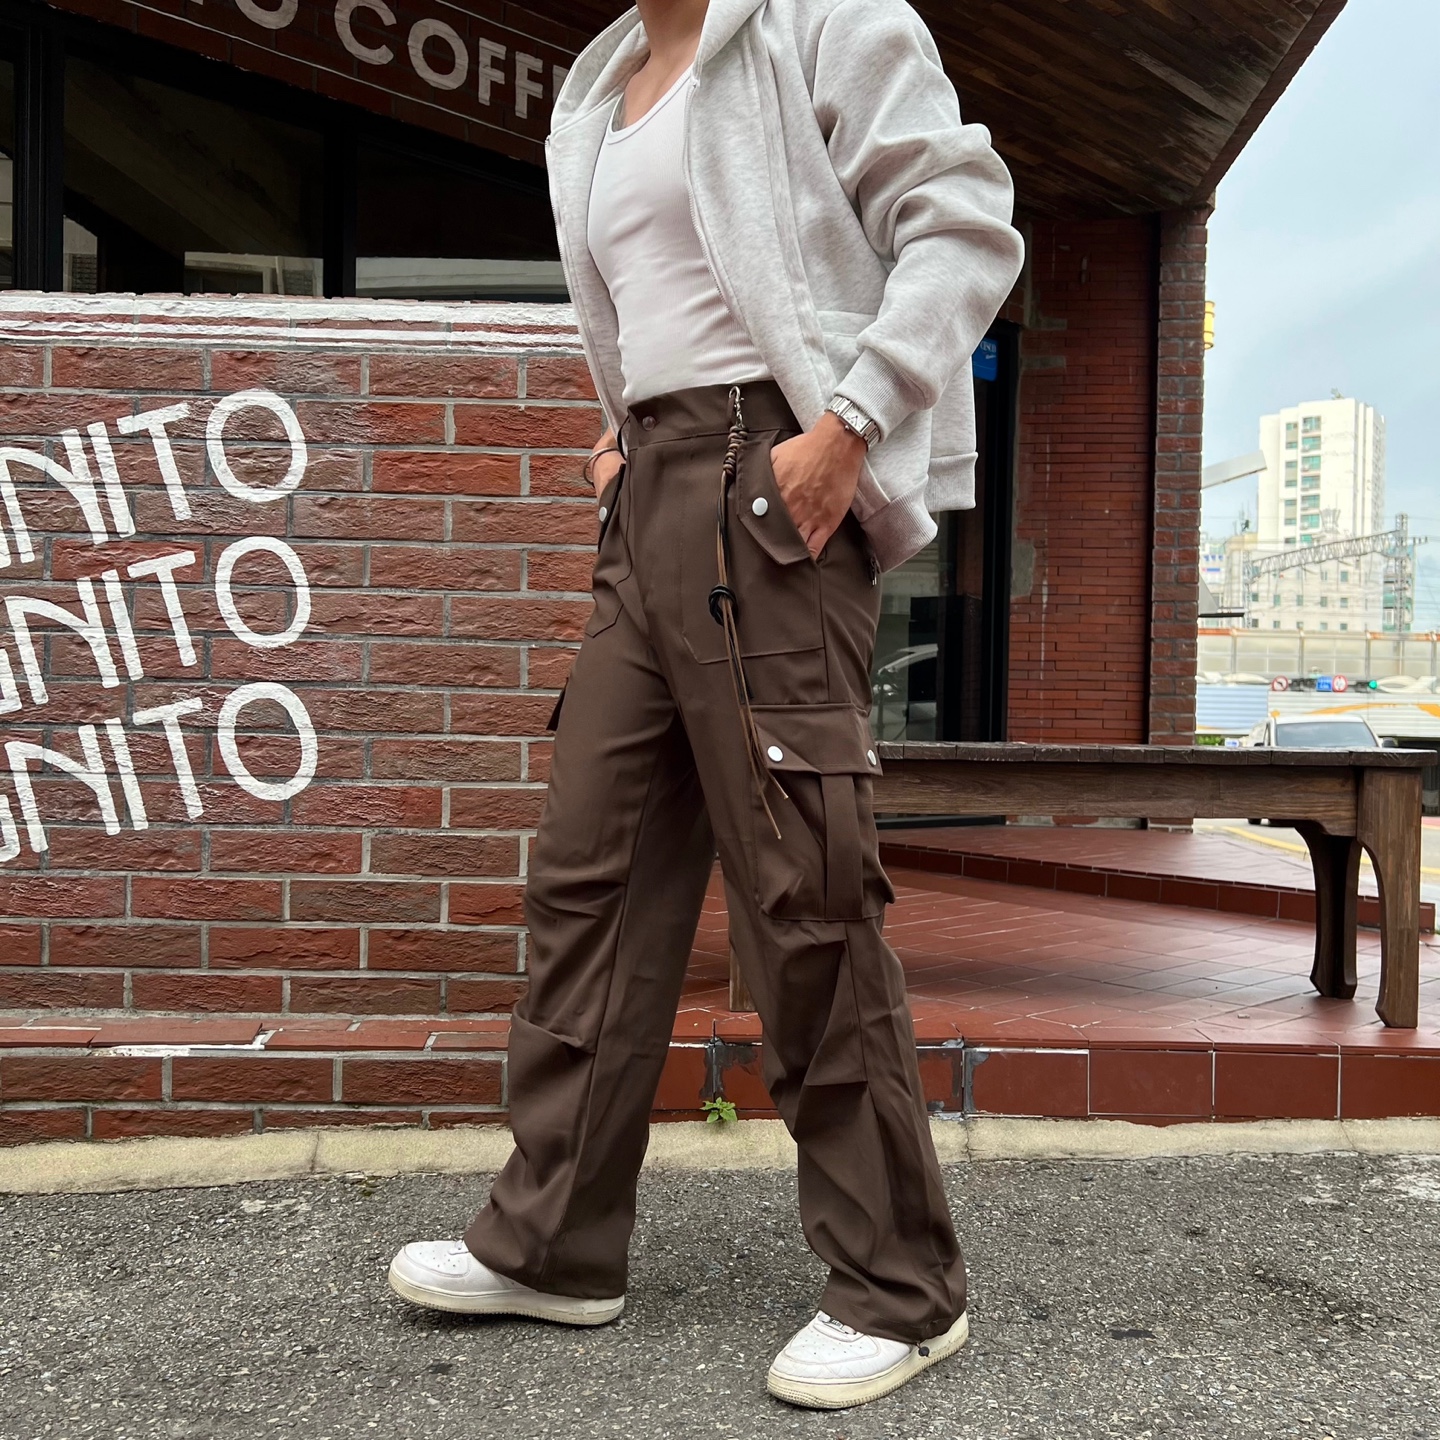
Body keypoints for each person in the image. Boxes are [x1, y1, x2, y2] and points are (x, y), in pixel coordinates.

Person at [388, 0, 1023, 1410]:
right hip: (654, 489)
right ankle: (555, 1243)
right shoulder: (599, 90)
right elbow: (659, 307)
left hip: (775, 477)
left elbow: (967, 221)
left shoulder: (828, 20)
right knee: (591, 874)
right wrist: (622, 439)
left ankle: (899, 1285)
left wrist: (850, 426)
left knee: (802, 887)